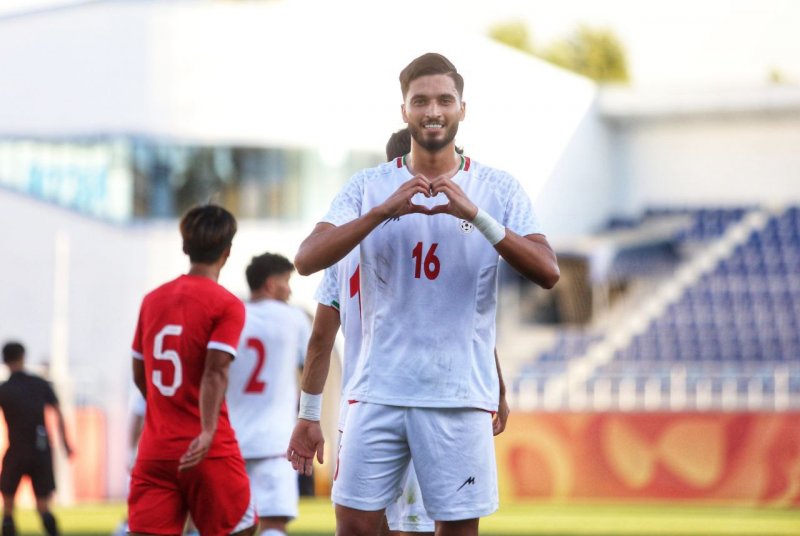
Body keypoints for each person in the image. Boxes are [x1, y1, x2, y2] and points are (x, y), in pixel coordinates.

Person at [290, 54, 556, 532]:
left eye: (444, 100)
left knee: (455, 529)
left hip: (457, 396)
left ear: (462, 108)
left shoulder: (497, 188)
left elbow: (548, 271)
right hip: (377, 392)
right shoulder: (369, 186)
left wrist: (475, 215)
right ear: (405, 110)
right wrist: (381, 212)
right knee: (353, 523)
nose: (433, 110)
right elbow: (307, 258)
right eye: (421, 101)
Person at [128, 204, 256, 536]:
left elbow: (139, 372)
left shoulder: (152, 300)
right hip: (205, 445)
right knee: (241, 527)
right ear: (227, 252)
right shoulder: (226, 304)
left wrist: (163, 408)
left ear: (186, 247)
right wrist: (208, 430)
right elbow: (215, 371)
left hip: (156, 447)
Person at [226, 253, 311, 536]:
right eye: (286, 281)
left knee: (236, 526)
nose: (289, 289)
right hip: (277, 442)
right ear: (271, 283)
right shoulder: (294, 318)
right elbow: (310, 370)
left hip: (232, 441)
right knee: (274, 524)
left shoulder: (230, 314)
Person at [0, 342, 72, 536]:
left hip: (15, 450)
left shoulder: (5, 389)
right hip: (40, 451)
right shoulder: (40, 384)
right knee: (43, 506)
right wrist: (65, 442)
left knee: (7, 506)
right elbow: (58, 411)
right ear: (23, 356)